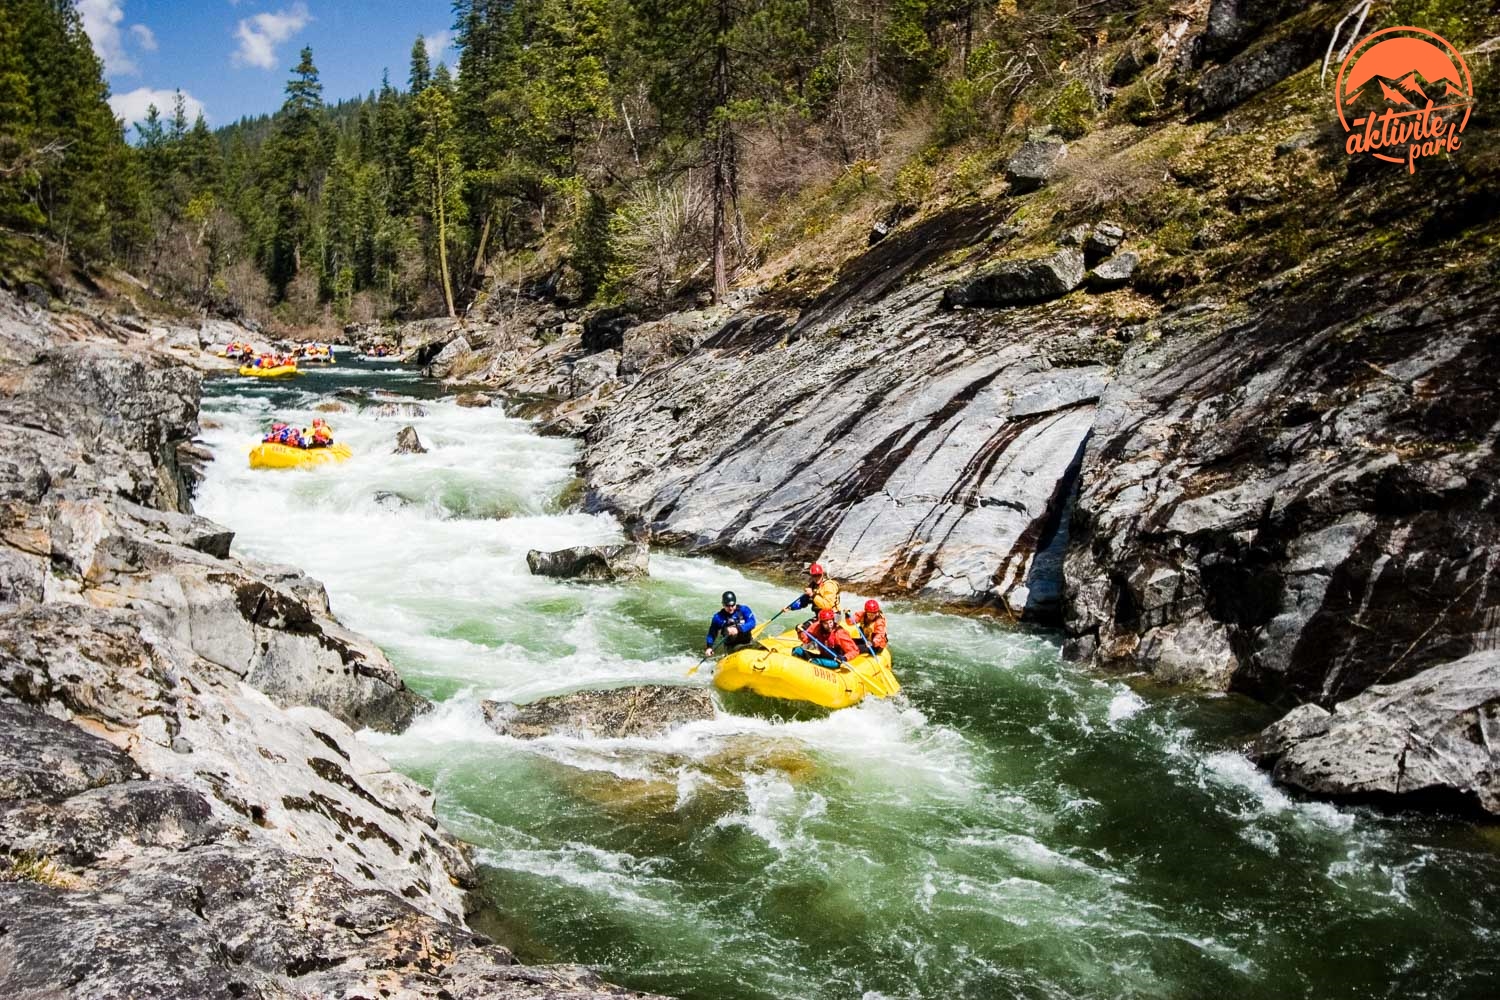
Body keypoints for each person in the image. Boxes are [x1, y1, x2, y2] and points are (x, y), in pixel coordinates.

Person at [793, 608, 860, 668]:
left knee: (815, 662)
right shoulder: (817, 627)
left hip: (835, 660)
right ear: (821, 623)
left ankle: (812, 664)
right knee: (797, 650)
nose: (829, 625)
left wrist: (844, 658)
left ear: (833, 620)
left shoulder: (839, 633)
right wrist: (800, 632)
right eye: (825, 623)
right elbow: (806, 640)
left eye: (830, 622)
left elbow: (854, 650)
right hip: (823, 656)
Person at [704, 590, 756, 657]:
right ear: (723, 604)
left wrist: (738, 629)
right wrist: (709, 647)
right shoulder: (718, 618)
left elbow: (752, 622)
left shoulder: (744, 610)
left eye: (732, 605)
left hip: (748, 642)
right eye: (728, 606)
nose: (731, 608)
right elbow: (712, 633)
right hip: (732, 646)